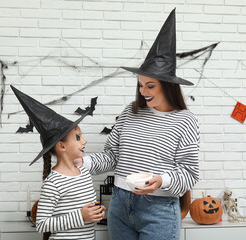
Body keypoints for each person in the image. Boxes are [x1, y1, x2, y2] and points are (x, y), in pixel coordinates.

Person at [76, 9, 200, 240]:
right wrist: (82, 162)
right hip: (120, 204)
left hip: (159, 210)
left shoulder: (185, 120)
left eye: (150, 86)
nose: (143, 92)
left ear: (168, 86)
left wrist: (161, 181)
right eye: (140, 85)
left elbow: (189, 173)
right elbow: (112, 156)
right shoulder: (130, 112)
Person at [11, 86, 105, 240]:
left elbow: (84, 211)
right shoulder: (53, 182)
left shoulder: (85, 173)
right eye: (78, 137)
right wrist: (81, 215)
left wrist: (95, 213)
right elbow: (42, 224)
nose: (84, 141)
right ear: (61, 146)